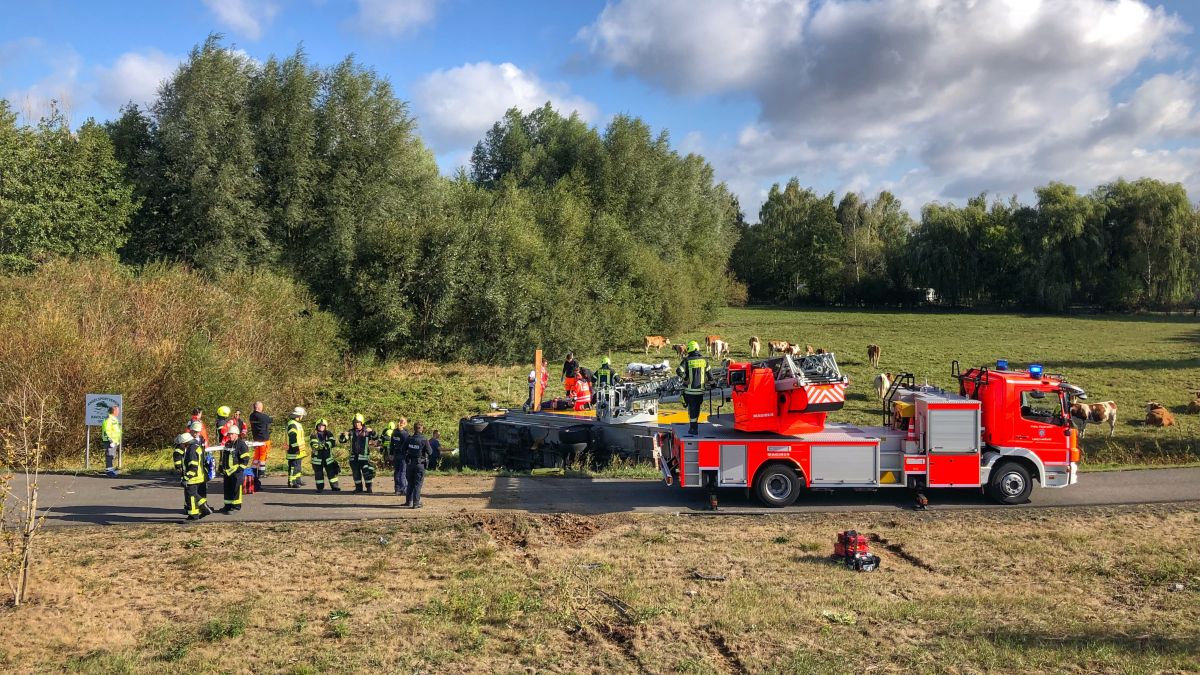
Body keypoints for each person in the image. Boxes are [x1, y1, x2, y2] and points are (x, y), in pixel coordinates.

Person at [676, 340, 711, 436]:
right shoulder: (704, 360)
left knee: (692, 410)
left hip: (690, 392)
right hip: (700, 391)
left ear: (689, 349)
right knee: (697, 409)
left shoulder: (687, 360)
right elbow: (710, 375)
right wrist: (712, 384)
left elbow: (679, 370)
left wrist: (686, 378)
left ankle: (693, 429)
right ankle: (694, 426)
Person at [340, 414, 377, 493]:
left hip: (364, 457)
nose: (357, 424)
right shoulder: (351, 432)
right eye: (355, 422)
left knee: (367, 473)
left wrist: (373, 432)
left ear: (362, 422)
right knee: (356, 474)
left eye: (358, 422)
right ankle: (358, 488)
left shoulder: (367, 431)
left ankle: (369, 488)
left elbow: (376, 437)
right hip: (354, 457)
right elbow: (342, 441)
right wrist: (343, 435)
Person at [180, 431, 213, 520]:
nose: (181, 445)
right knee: (194, 494)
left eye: (182, 443)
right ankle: (205, 509)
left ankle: (193, 515)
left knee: (190, 496)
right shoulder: (196, 446)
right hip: (198, 475)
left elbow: (193, 467)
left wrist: (186, 478)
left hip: (193, 477)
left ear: (186, 442)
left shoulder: (191, 450)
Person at [218, 425, 251, 513]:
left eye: (232, 434)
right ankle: (228, 506)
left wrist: (240, 469)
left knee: (236, 489)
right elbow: (224, 457)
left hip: (236, 472)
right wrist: (222, 467)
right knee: (228, 489)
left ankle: (236, 507)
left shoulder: (241, 444)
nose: (230, 436)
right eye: (229, 434)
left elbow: (246, 458)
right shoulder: (228, 443)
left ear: (236, 434)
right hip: (227, 472)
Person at [403, 422, 432, 508]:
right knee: (417, 484)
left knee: (410, 483)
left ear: (414, 429)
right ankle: (416, 503)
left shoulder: (409, 439)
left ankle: (408, 501)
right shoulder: (424, 440)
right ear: (421, 429)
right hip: (420, 464)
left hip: (410, 464)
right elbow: (430, 452)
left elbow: (403, 449)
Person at [309, 419, 341, 493]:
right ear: (316, 426)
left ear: (325, 426)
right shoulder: (314, 434)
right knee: (319, 474)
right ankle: (320, 488)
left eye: (323, 426)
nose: (321, 427)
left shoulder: (329, 433)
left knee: (331, 473)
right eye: (320, 425)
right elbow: (314, 445)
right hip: (317, 459)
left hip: (328, 458)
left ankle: (335, 487)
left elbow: (332, 442)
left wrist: (324, 445)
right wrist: (325, 445)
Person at [248, 401, 272, 491]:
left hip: (256, 439)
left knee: (256, 458)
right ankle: (262, 472)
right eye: (262, 407)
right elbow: (270, 420)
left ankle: (254, 471)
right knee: (263, 457)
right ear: (259, 408)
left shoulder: (251, 416)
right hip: (264, 440)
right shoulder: (263, 416)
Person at [285, 407, 307, 488]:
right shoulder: (292, 424)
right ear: (299, 415)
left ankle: (297, 480)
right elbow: (292, 437)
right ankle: (291, 481)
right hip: (293, 450)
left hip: (299, 450)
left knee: (298, 466)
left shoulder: (296, 423)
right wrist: (295, 448)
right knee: (293, 466)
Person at [390, 417, 410, 496]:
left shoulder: (394, 432)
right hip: (402, 454)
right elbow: (407, 442)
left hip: (396, 454)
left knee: (397, 471)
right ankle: (403, 489)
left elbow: (391, 443)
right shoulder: (404, 432)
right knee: (402, 472)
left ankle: (397, 488)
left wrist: (391, 453)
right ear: (405, 423)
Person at [101, 405, 122, 477]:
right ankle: (109, 472)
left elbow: (115, 430)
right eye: (118, 410)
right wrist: (111, 441)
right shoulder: (109, 419)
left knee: (112, 456)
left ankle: (111, 469)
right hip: (110, 441)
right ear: (114, 411)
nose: (119, 412)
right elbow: (106, 430)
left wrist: (117, 441)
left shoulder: (114, 419)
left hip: (114, 441)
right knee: (109, 456)